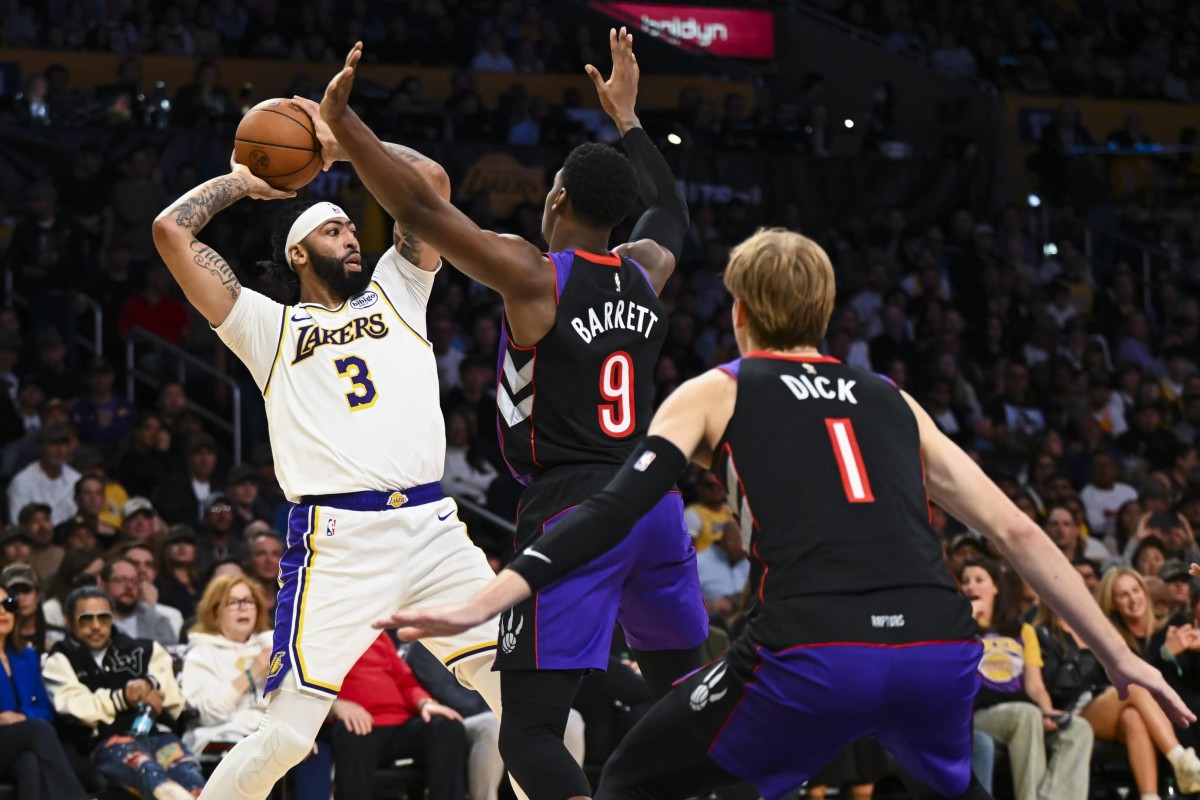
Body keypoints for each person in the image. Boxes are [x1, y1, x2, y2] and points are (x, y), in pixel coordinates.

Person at [385, 228, 1194, 800]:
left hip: (811, 650)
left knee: (633, 775)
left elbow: (611, 507)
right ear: (829, 310)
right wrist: (1123, 657)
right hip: (937, 649)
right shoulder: (894, 399)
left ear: (739, 312)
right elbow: (1017, 532)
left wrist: (492, 595)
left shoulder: (720, 386)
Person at [318, 32, 703, 800]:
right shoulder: (645, 271)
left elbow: (421, 207)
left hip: (573, 508)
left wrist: (344, 126)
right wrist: (628, 118)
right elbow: (673, 209)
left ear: (557, 197)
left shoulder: (535, 277)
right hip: (656, 506)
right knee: (687, 705)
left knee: (529, 727)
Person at [153, 96, 516, 800]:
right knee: (286, 734)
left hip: (435, 530)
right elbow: (172, 231)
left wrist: (342, 148)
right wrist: (246, 182)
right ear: (297, 251)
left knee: (526, 699)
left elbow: (432, 184)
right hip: (338, 541)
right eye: (334, 227)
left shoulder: (398, 290)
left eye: (353, 226)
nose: (352, 234)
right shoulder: (269, 328)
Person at [43, 586, 205, 800]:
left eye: (103, 618)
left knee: (193, 780)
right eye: (86, 619)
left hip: (159, 734)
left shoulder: (144, 649)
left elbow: (173, 699)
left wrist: (148, 686)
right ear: (69, 621)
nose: (96, 626)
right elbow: (76, 706)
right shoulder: (60, 659)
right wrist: (124, 697)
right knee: (157, 782)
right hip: (109, 742)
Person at [181, 575, 332, 800]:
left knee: (317, 755)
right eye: (233, 602)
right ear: (215, 612)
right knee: (256, 762)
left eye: (249, 601)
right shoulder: (201, 654)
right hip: (223, 737)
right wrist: (253, 672)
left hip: (271, 736)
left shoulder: (274, 645)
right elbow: (210, 714)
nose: (243, 608)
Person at [958, 557, 1093, 800]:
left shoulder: (1022, 630)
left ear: (996, 587)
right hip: (979, 715)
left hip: (1021, 712)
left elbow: (1035, 685)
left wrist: (1047, 711)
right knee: (1026, 714)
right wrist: (965, 621)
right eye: (966, 582)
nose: (971, 587)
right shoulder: (957, 631)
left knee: (1078, 729)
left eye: (979, 580)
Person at [1035, 600, 1200, 797]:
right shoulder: (1044, 633)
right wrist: (1089, 653)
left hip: (1112, 701)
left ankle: (1150, 796)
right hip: (1075, 706)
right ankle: (1183, 760)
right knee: (1136, 687)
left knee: (1133, 719)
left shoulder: (1099, 628)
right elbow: (1058, 686)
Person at [330, 631, 467, 800]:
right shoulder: (320, 636)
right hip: (357, 724)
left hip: (401, 722)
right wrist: (335, 704)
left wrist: (425, 703)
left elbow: (405, 681)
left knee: (448, 727)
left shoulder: (377, 635)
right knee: (353, 732)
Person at [0, 583, 89, 800]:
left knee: (29, 762)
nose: (2, 611)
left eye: (8, 604)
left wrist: (22, 716)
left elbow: (45, 709)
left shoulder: (27, 656)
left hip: (18, 742)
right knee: (37, 731)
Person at [100, 557, 178, 647]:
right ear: (103, 585)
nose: (129, 586)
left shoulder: (158, 621)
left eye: (134, 581)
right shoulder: (93, 619)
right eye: (120, 580)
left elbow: (169, 656)